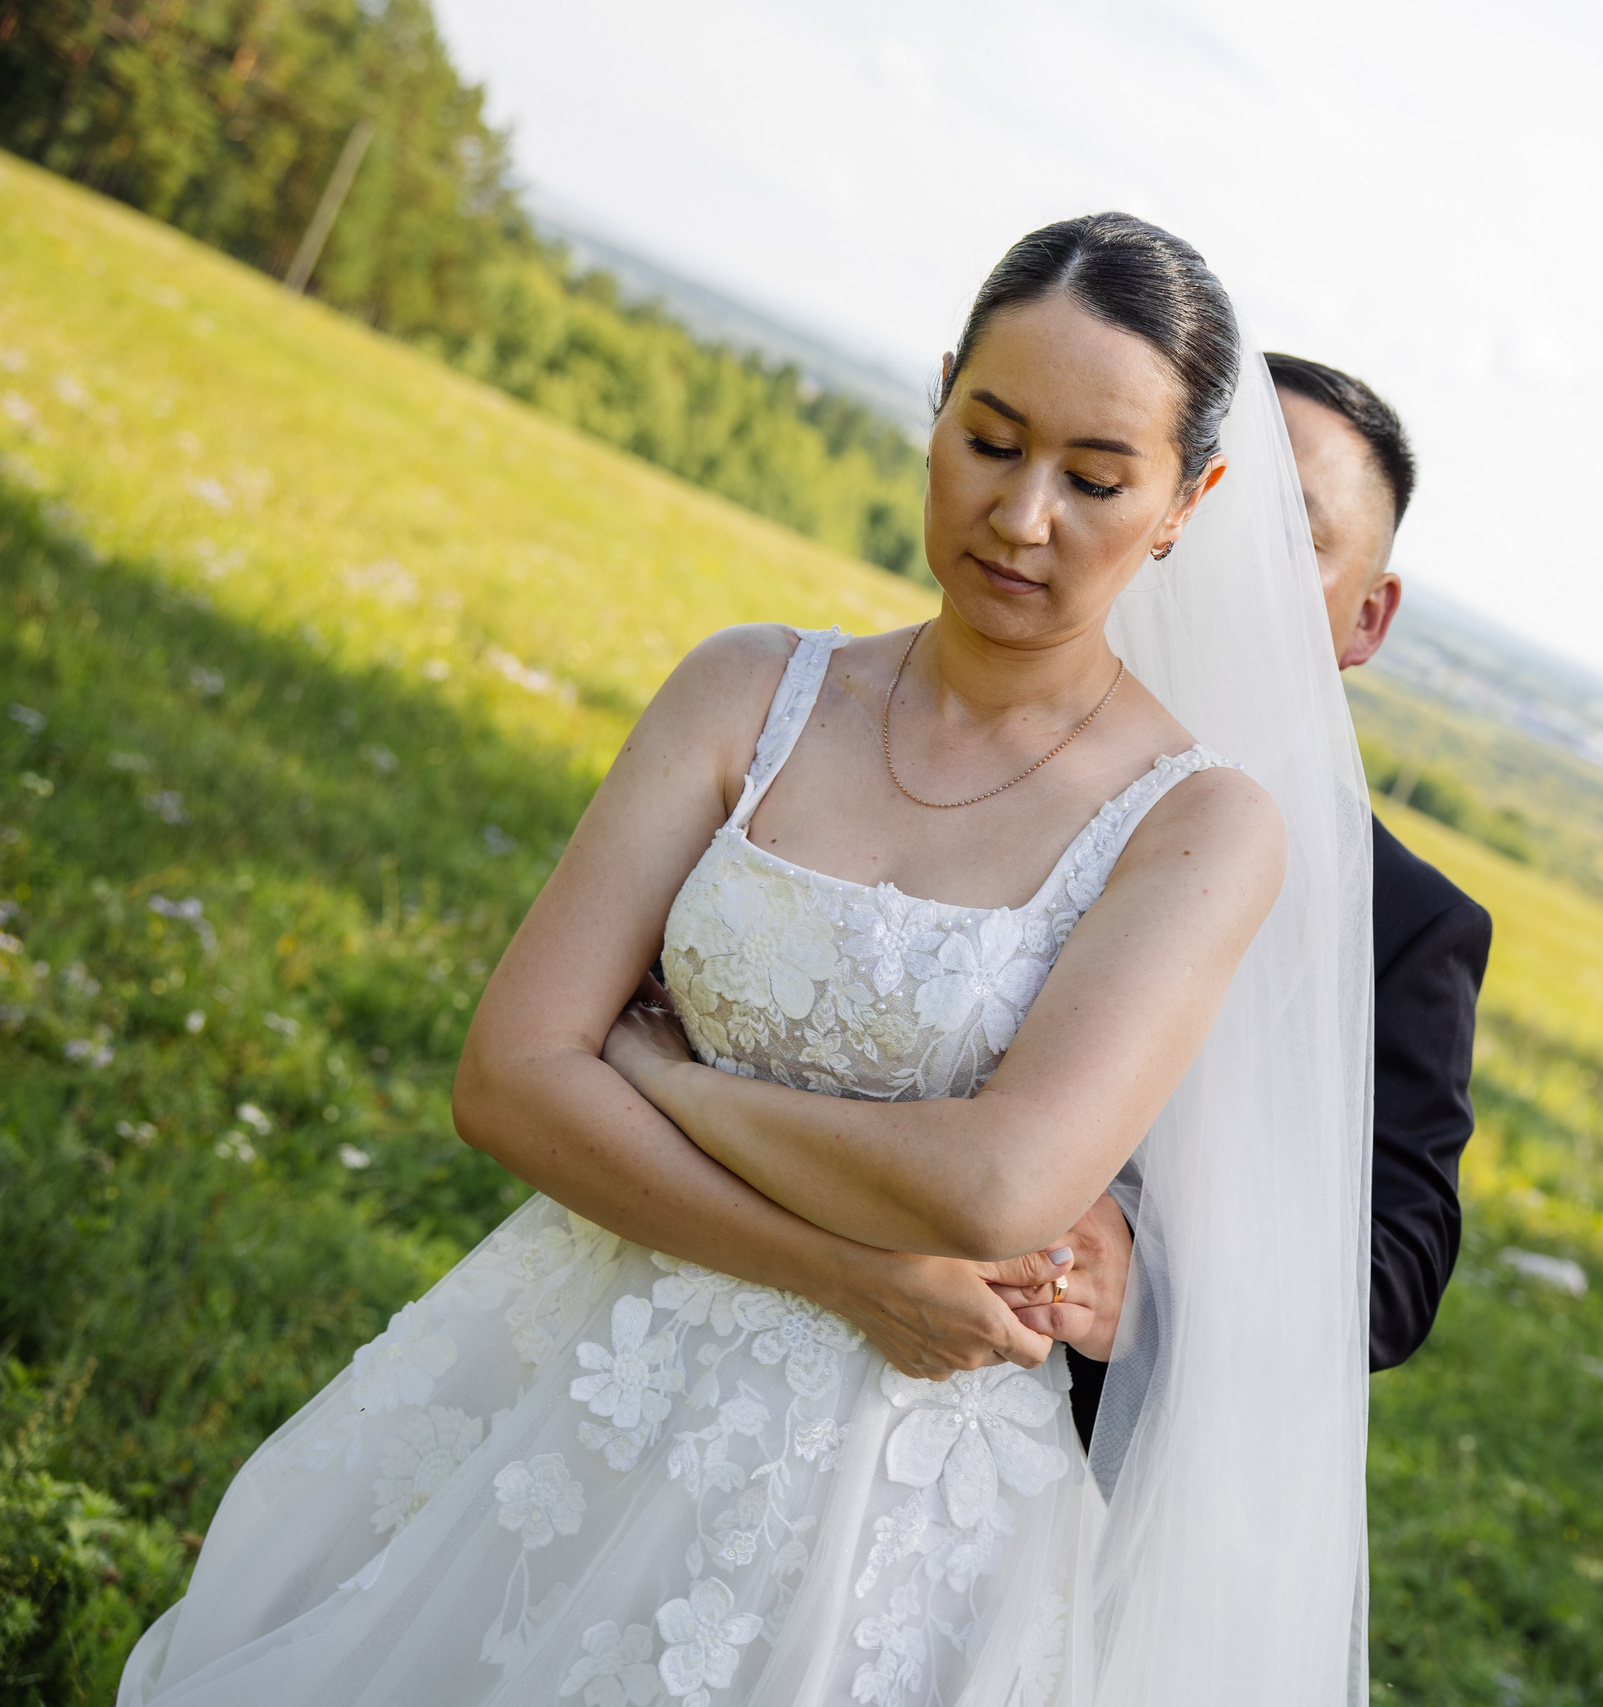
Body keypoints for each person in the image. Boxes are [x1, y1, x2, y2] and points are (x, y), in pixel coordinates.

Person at [119, 215, 1374, 1707]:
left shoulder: (1203, 824)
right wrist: (851, 1267)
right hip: (574, 1373)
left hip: (870, 1503)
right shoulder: (745, 690)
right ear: (940, 410)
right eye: (990, 439)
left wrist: (661, 1073)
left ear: (1185, 503)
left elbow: (997, 1187)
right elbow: (508, 1079)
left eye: (1096, 479)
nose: (1023, 515)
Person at [1036, 353, 1493, 1448]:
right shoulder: (962, 739)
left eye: (1294, 540)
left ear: (1367, 622)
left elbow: (1394, 1274)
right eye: (1220, 502)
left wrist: (1149, 1284)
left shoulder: (1403, 921)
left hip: (1091, 1463)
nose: (1234, 560)